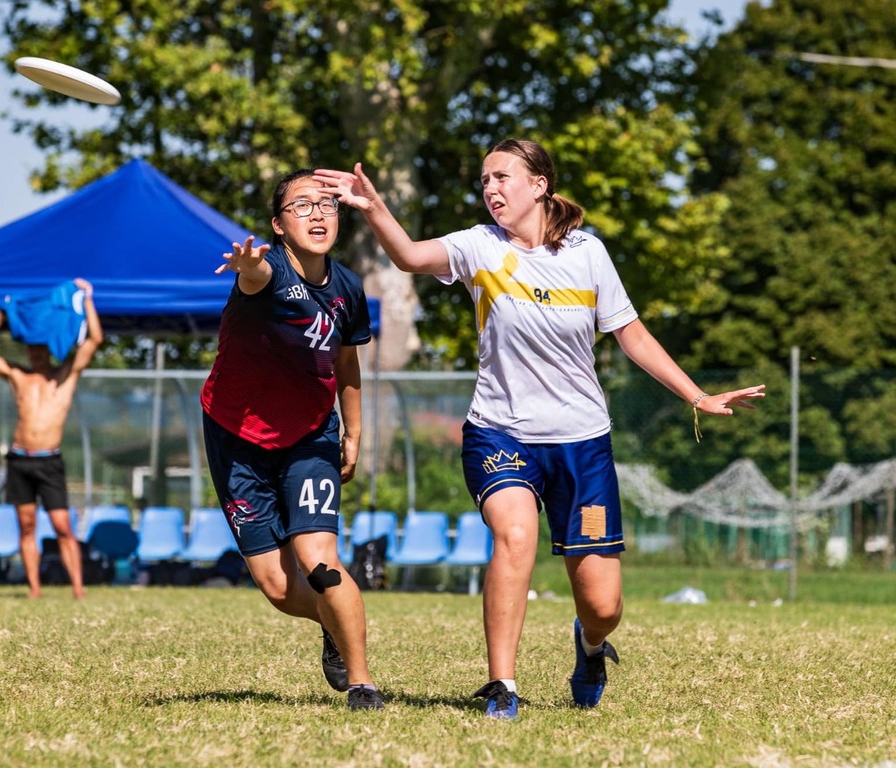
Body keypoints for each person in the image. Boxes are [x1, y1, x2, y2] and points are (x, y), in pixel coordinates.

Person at [316, 140, 765, 719]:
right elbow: (406, 256)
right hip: (500, 433)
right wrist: (373, 206)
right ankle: (502, 684)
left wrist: (697, 395)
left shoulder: (588, 254)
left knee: (603, 604)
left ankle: (591, 644)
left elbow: (632, 335)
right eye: (483, 181)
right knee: (516, 536)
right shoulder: (478, 247)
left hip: (582, 445)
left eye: (502, 177)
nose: (491, 189)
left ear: (539, 185)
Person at [200, 169, 384, 711]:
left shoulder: (349, 287)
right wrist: (249, 265)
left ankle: (362, 683)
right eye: (302, 206)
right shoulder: (267, 270)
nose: (318, 213)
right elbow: (254, 278)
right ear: (279, 225)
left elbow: (347, 362)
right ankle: (332, 622)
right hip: (236, 435)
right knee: (280, 590)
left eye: (327, 204)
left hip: (310, 435)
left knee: (319, 560)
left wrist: (354, 431)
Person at [0, 277, 103, 600]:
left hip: (49, 460)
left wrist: (87, 300)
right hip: (19, 460)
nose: (34, 352)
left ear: (49, 347)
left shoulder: (65, 376)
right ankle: (34, 589)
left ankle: (78, 590)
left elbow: (94, 340)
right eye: (30, 346)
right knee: (26, 526)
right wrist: (2, 316)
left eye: (39, 346)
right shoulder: (18, 376)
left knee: (63, 528)